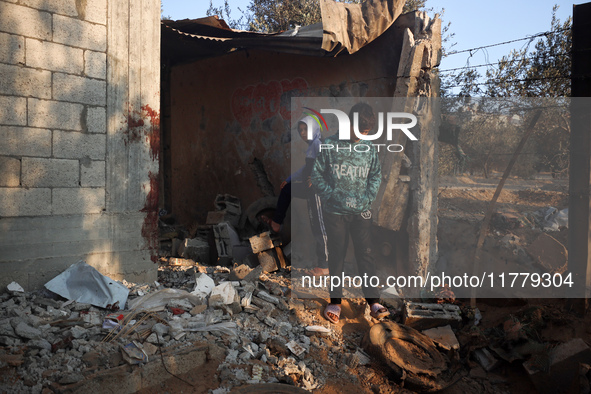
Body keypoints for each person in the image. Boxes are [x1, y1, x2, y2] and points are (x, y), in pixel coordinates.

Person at [311, 102, 389, 324]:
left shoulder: (369, 148)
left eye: (366, 133)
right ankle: (335, 301)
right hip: (335, 212)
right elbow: (316, 176)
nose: (361, 136)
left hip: (361, 212)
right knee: (337, 256)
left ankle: (373, 301)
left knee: (366, 255)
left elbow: (375, 176)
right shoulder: (329, 144)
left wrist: (366, 199)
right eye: (359, 131)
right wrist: (331, 195)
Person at [270, 116, 329, 276]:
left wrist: (316, 179)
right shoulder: (312, 146)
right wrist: (289, 179)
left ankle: (324, 266)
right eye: (300, 130)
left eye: (306, 129)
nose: (303, 133)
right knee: (287, 189)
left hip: (316, 191)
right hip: (309, 188)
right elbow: (305, 168)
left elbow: (328, 165)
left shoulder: (319, 144)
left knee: (319, 225)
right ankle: (277, 222)